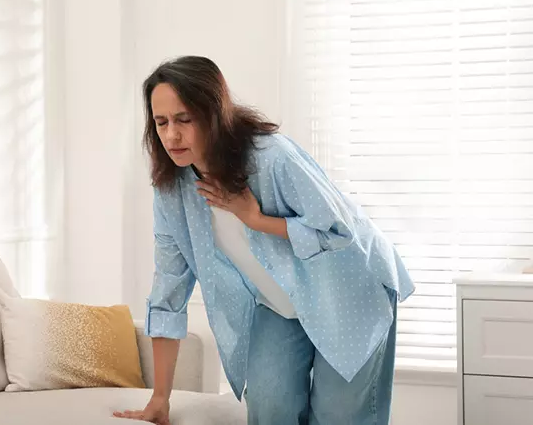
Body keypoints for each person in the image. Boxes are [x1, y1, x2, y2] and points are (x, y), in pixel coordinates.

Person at [113, 56, 414, 425]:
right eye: (161, 123)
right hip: (276, 303)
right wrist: (160, 398)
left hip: (348, 288)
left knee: (339, 416)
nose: (171, 135)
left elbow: (339, 233)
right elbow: (168, 293)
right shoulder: (172, 192)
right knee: (271, 409)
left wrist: (255, 218)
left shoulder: (271, 158)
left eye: (184, 119)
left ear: (214, 114)